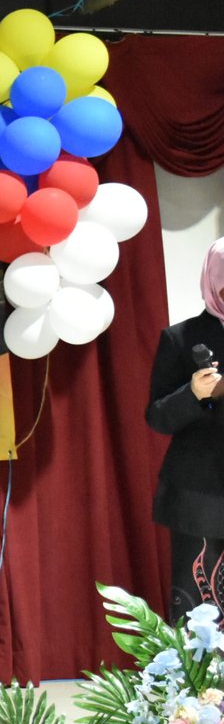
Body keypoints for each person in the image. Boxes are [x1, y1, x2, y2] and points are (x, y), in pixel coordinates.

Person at [147, 235, 224, 618]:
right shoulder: (181, 338)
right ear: (213, 281)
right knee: (200, 610)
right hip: (200, 496)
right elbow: (157, 416)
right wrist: (193, 393)